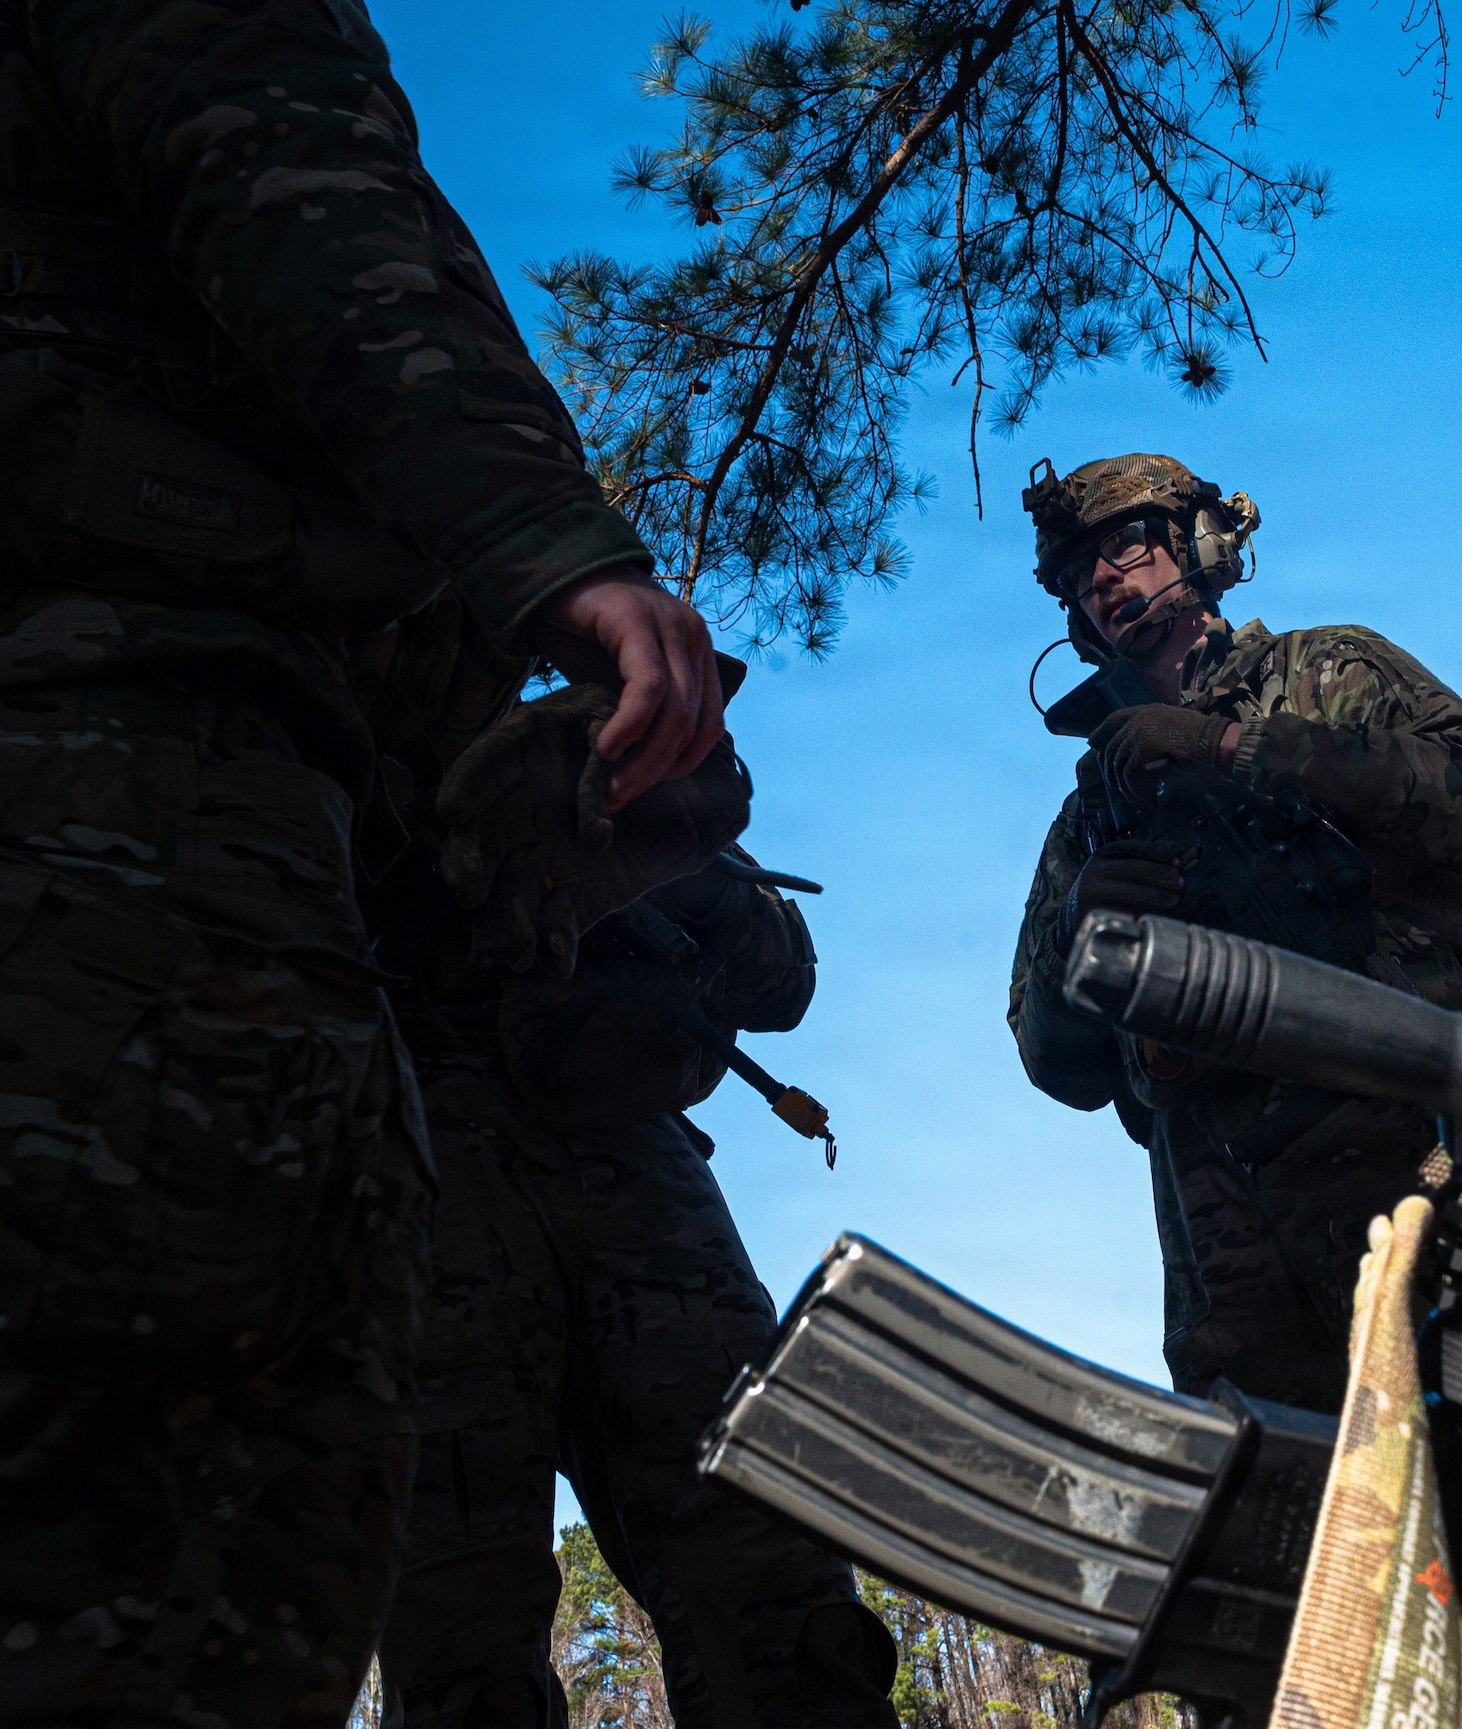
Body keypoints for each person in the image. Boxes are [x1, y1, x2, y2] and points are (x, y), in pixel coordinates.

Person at [0, 3, 721, 1721]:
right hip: (134, 808)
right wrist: (546, 540)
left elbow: (757, 967)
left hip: (484, 1080)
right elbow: (300, 195)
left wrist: (576, 856)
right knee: (196, 1571)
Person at [367, 796, 899, 1729]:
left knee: (789, 1608)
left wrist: (676, 857)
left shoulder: (587, 756)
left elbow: (781, 981)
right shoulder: (367, 714)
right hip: (421, 1149)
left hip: (643, 1179)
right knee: (463, 1647)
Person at [1009, 453, 1462, 1417]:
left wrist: (1234, 749)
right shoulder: (1095, 816)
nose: (1106, 580)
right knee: (1282, 1533)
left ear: (1199, 544)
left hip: (1420, 1157)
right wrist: (1086, 931)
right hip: (1229, 1240)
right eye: (1082, 578)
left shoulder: (1326, 669)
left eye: (1125, 545)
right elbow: (1052, 1060)